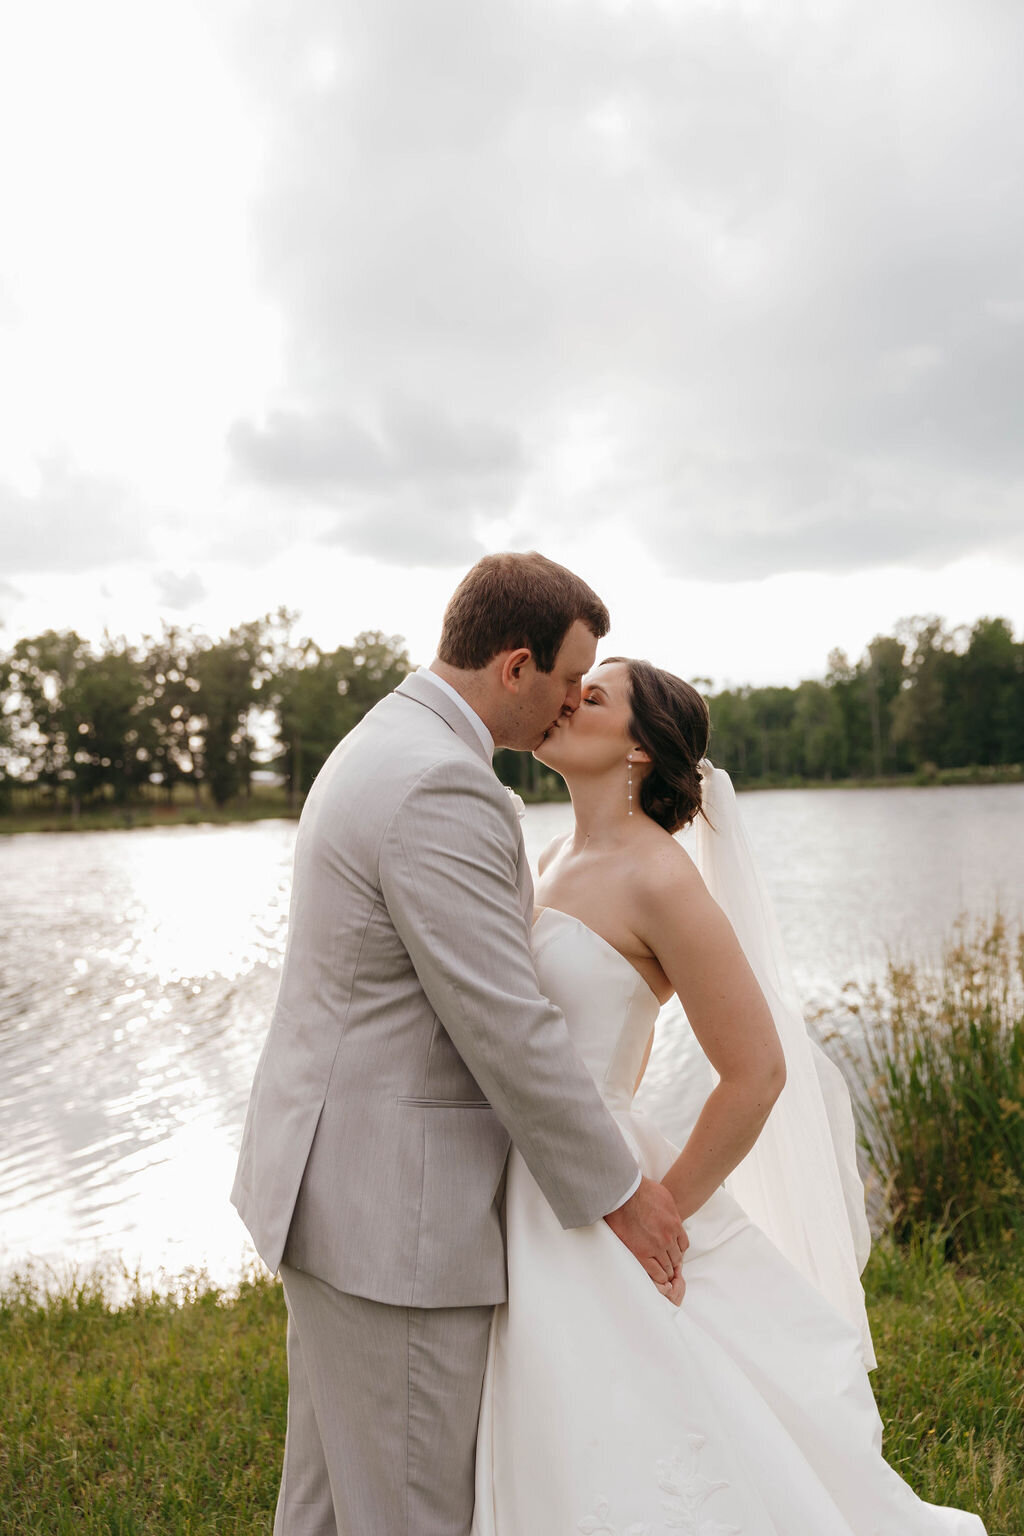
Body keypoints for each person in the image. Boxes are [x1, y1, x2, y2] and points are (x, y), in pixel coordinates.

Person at [471, 656, 988, 1535]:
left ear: (639, 750)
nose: (565, 701)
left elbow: (758, 1071)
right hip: (523, 1175)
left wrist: (661, 1210)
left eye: (592, 697)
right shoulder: (550, 856)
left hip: (602, 1190)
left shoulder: (661, 879)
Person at [230, 553, 686, 1536]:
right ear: (515, 666)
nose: (571, 704)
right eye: (568, 680)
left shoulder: (385, 741)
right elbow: (502, 1023)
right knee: (409, 1510)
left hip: (335, 1193)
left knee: (325, 1506)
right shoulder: (442, 784)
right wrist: (620, 1193)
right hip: (393, 1218)